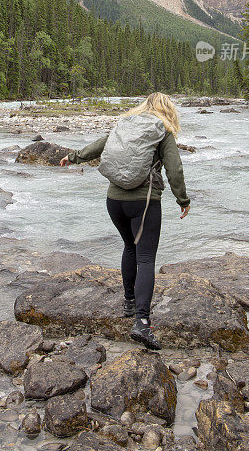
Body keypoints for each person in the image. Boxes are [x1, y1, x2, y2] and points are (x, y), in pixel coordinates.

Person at [60, 92, 190, 350]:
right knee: (145, 258)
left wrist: (73, 156)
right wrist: (183, 200)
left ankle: (129, 302)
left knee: (129, 247)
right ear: (168, 111)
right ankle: (142, 323)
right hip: (144, 202)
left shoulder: (126, 125)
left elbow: (100, 145)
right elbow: (174, 169)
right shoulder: (162, 131)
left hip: (114, 201)